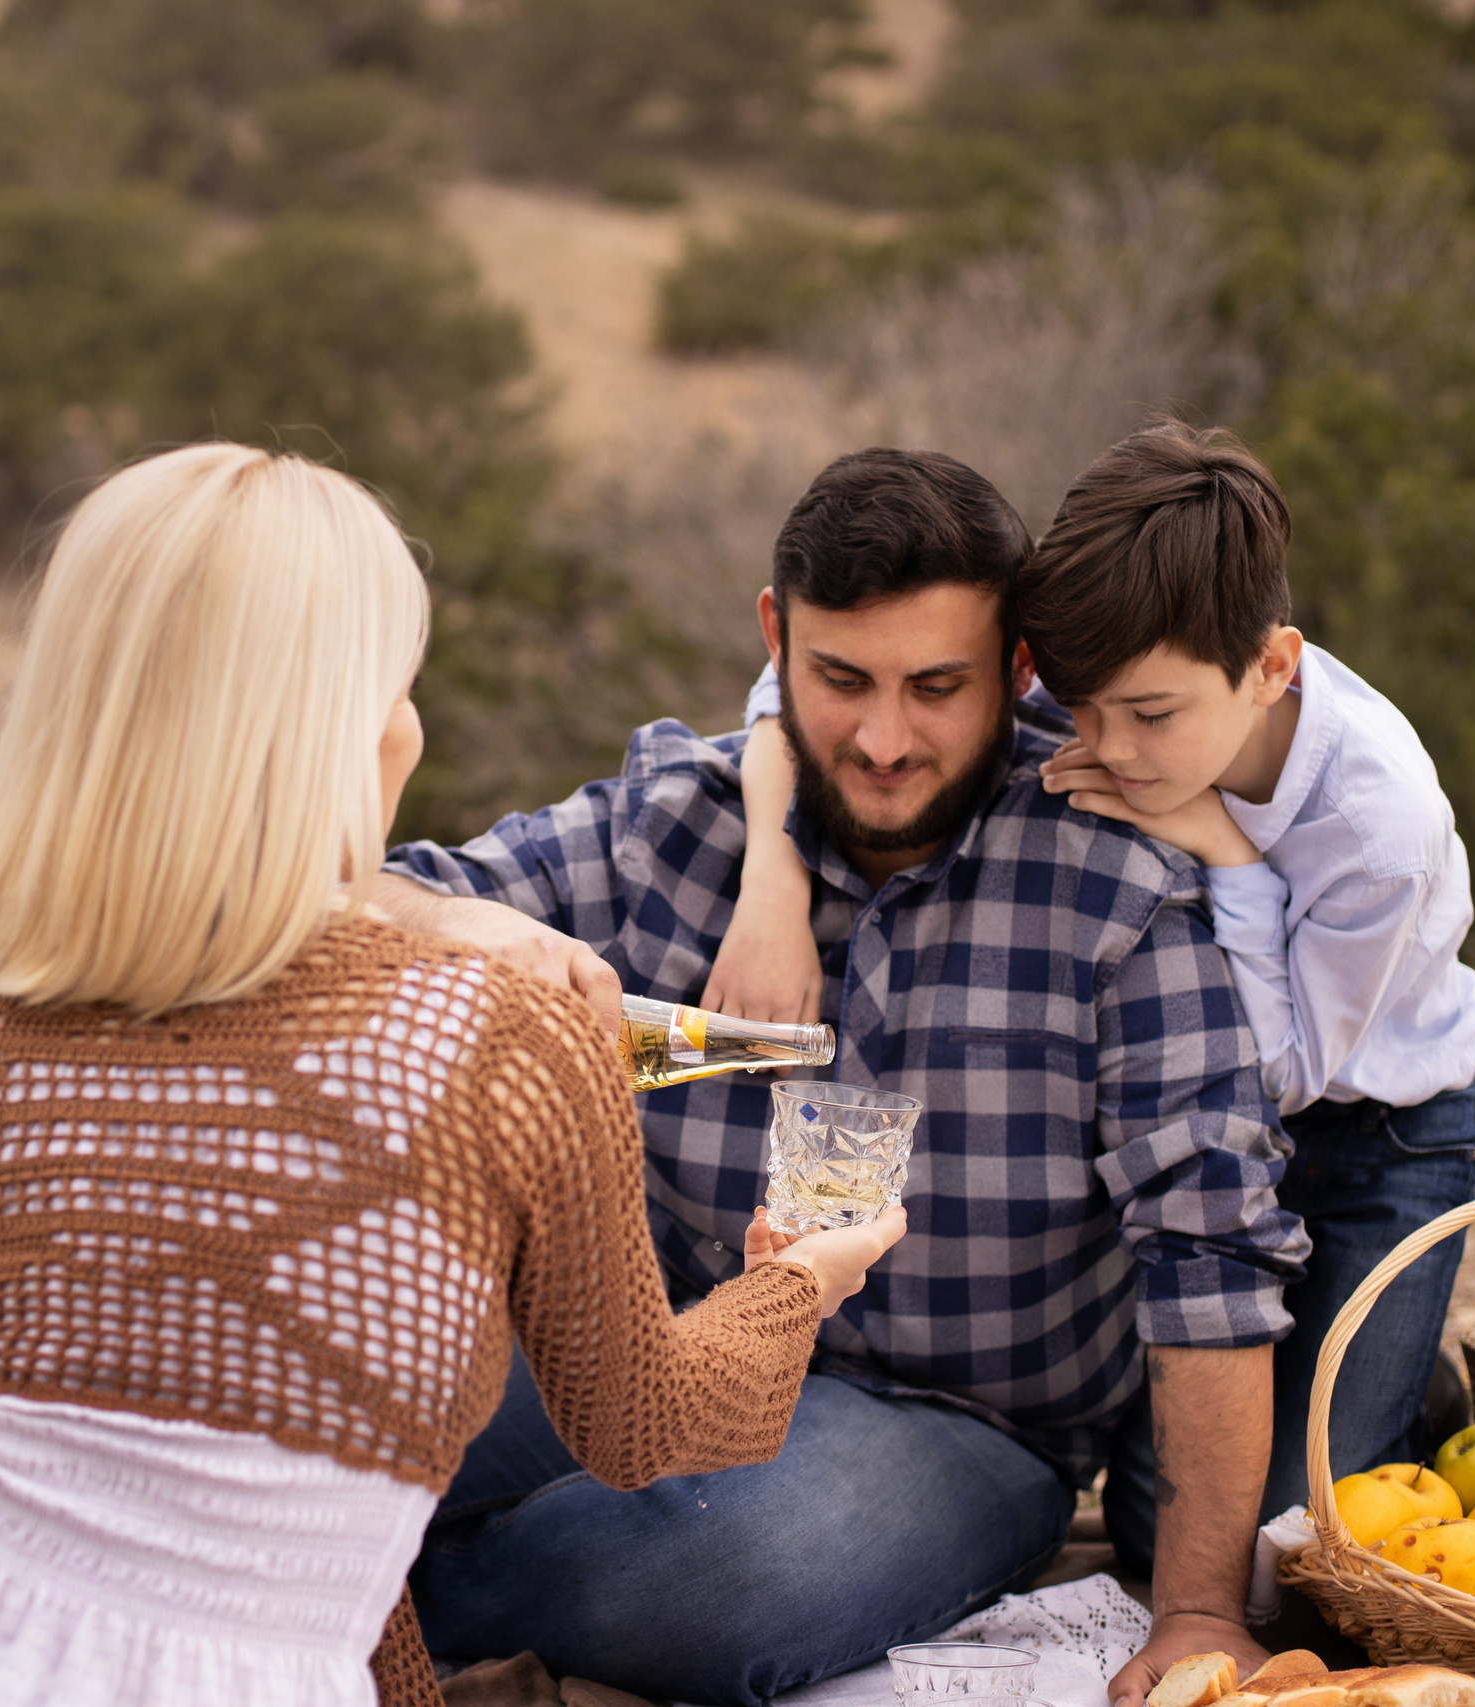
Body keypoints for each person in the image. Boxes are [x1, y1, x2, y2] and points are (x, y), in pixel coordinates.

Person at [0, 444, 905, 1707]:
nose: (413, 718)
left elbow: (229, 1481)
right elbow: (644, 1426)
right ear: (348, 727)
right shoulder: (507, 1040)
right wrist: (795, 1280)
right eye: (399, 680)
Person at [375, 447, 1308, 1707]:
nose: (882, 738)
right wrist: (469, 927)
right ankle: (378, 1570)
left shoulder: (1120, 880)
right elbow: (348, 899)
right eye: (838, 680)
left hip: (955, 1422)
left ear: (1018, 668)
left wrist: (1197, 1608)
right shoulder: (674, 822)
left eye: (937, 687)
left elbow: (1209, 1256)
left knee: (728, 1567)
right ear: (775, 637)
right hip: (658, 1342)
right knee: (356, 1358)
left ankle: (381, 1598)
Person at [720, 423, 1475, 1522]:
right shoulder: (1118, 677)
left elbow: (1277, 1074)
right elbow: (778, 687)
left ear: (1272, 666)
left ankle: (1401, 1391)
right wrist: (773, 876)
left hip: (1371, 1127)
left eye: (1148, 717)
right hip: (1211, 1121)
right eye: (1079, 707)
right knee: (1145, 1508)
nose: (1109, 747)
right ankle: (1360, 1374)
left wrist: (1224, 848)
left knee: (1294, 1533)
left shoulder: (1378, 831)